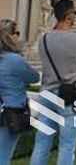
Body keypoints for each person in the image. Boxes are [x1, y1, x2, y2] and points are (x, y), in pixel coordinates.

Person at [32, 0, 76, 165]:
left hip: (46, 93)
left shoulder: (44, 39)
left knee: (41, 142)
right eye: (74, 14)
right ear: (69, 16)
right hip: (70, 96)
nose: (75, 17)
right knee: (67, 145)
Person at [0, 19, 38, 162]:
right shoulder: (15, 60)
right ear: (8, 36)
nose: (18, 36)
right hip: (11, 113)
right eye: (17, 33)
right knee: (4, 155)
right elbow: (34, 77)